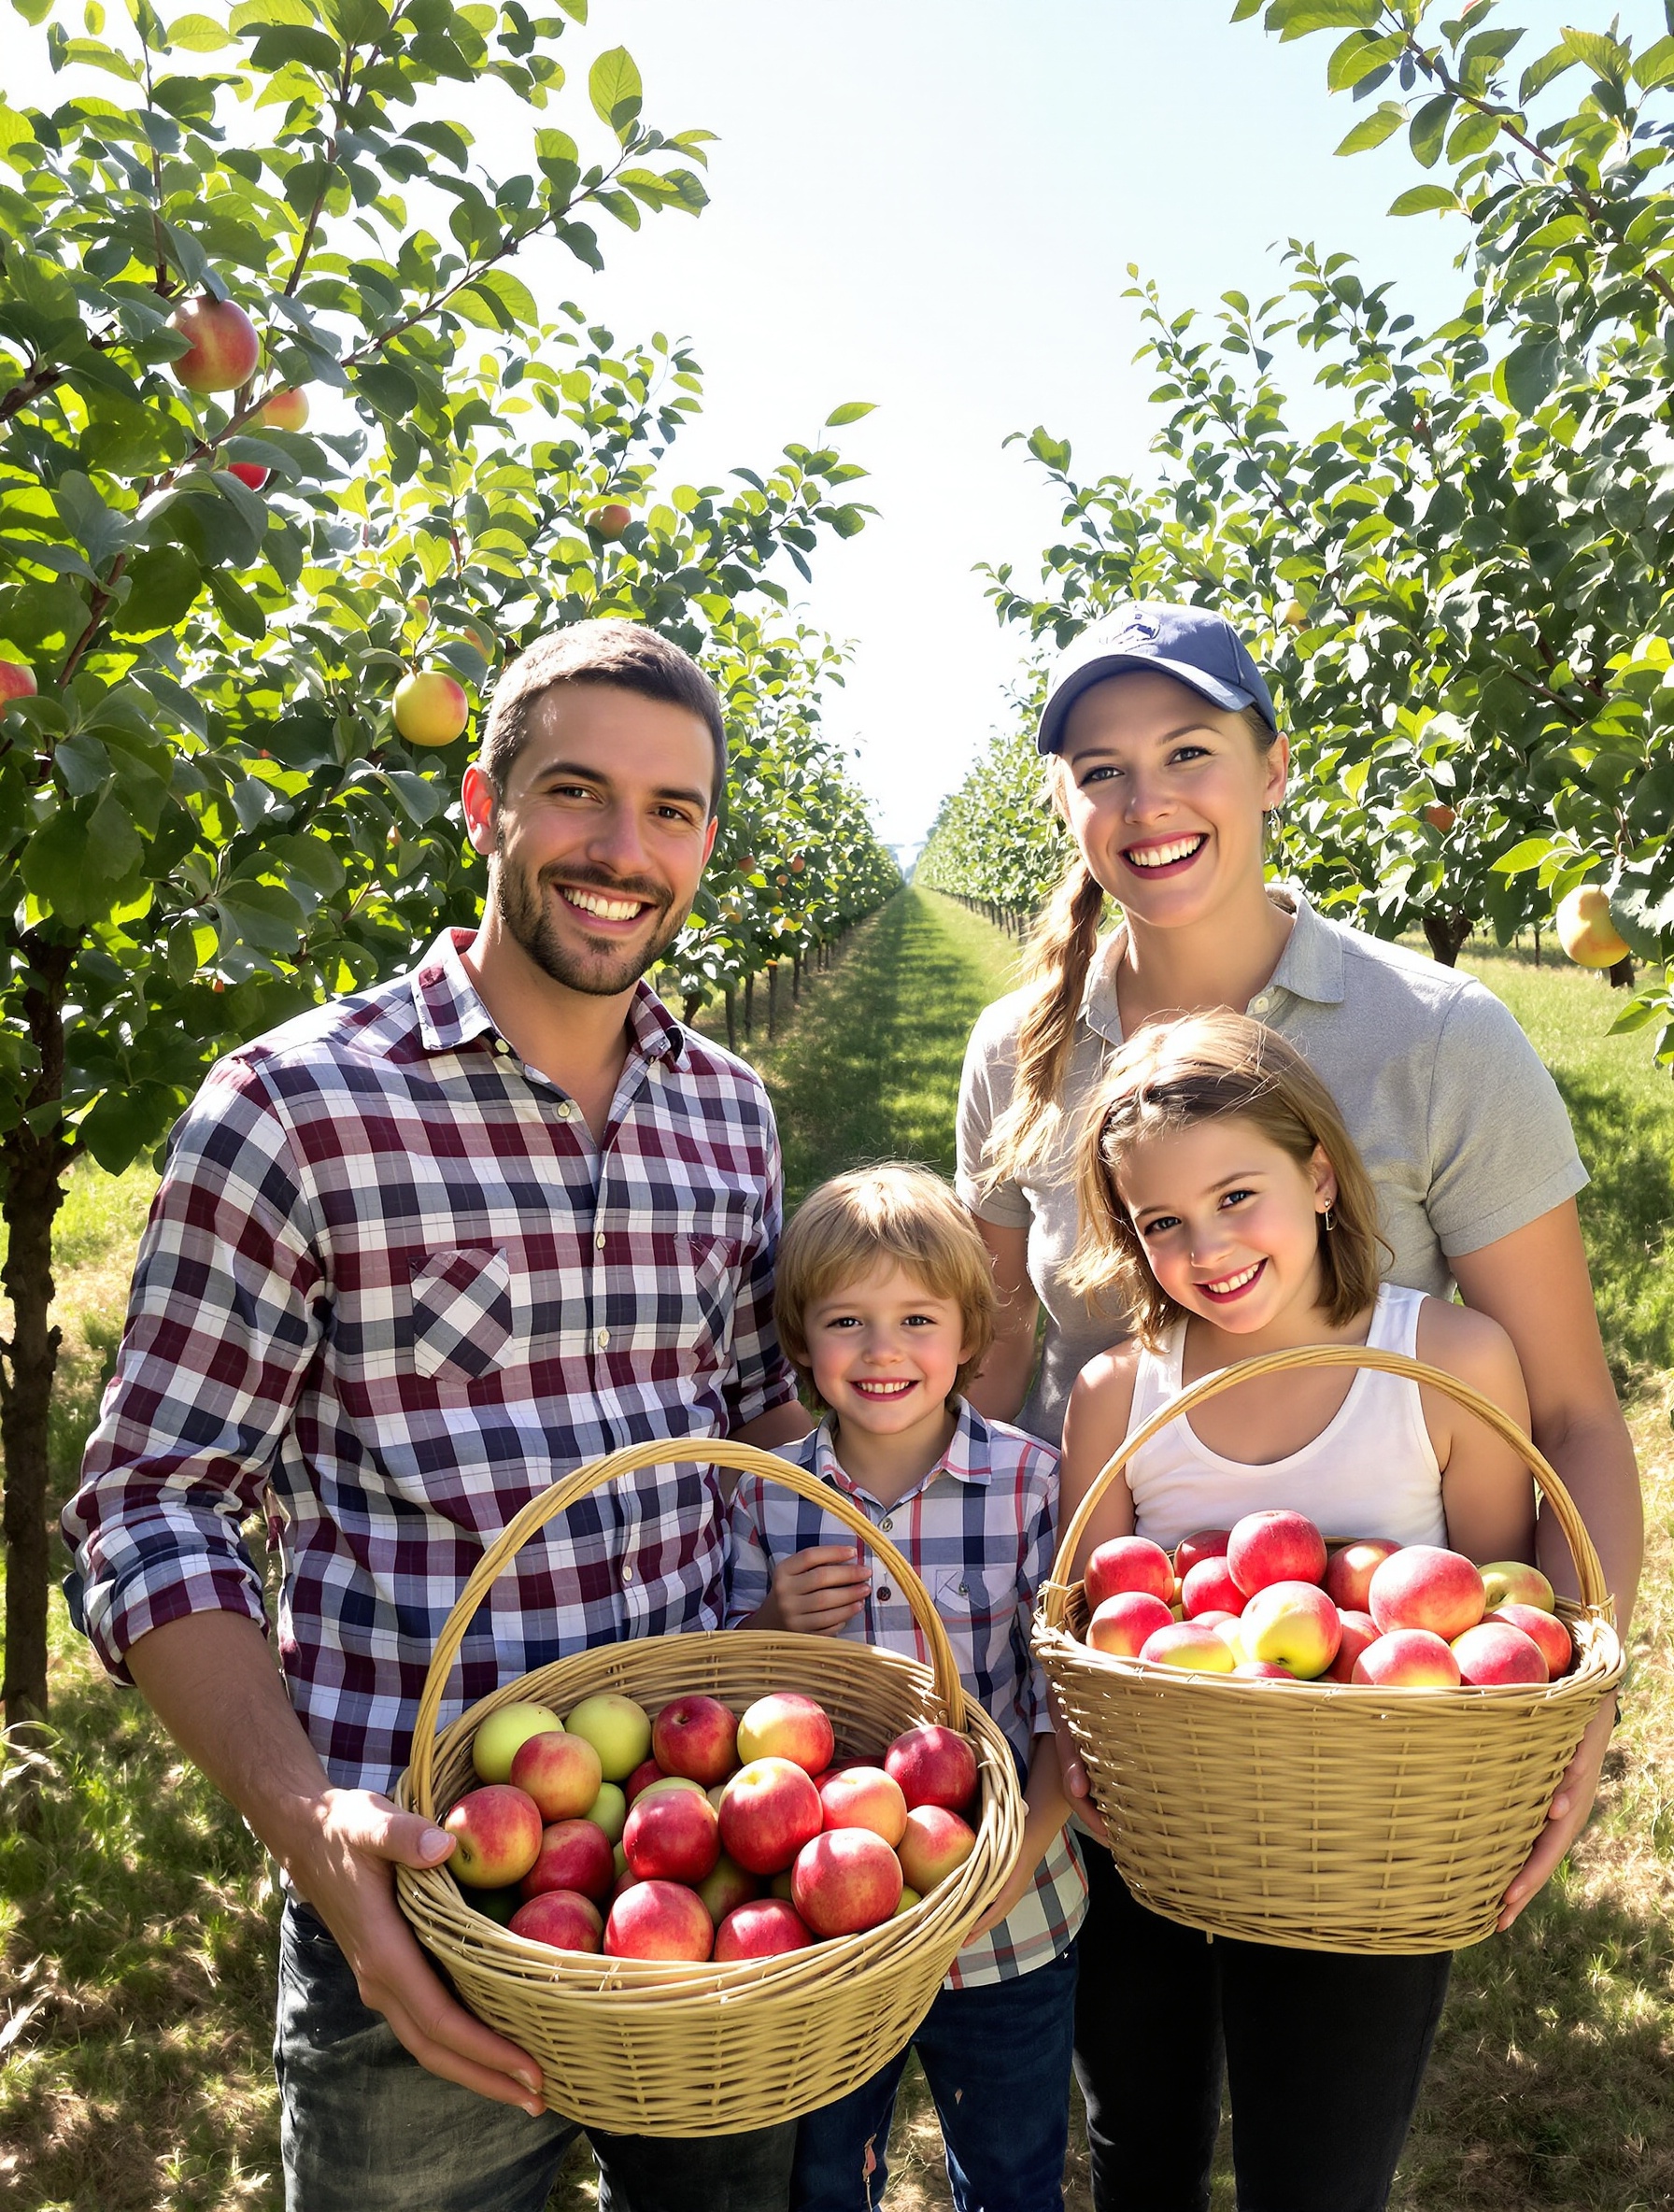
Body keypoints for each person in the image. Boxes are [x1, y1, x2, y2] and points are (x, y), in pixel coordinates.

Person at [63, 619, 812, 2212]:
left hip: (706, 1859)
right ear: (479, 802)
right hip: (414, 1879)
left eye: (672, 810)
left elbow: (755, 1424)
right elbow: (150, 1505)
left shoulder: (732, 1114)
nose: (623, 850)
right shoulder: (294, 1107)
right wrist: (308, 1822)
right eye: (574, 794)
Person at [954, 603, 1639, 1935]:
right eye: (1102, 771)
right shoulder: (1018, 1048)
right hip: (1126, 1684)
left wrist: (1572, 1701)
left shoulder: (1437, 1035)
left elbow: (1568, 1418)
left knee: (1323, 2125)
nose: (1146, 801)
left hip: (1380, 1725)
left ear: (1274, 771)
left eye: (1190, 751)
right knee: (1129, 2115)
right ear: (1065, 806)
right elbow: (988, 1375)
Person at [1057, 1007, 1538, 2209]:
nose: (1206, 1248)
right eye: (1161, 1223)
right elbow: (1083, 1637)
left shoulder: (1451, 1362)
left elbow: (1503, 1621)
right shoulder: (1118, 1396)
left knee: (1320, 2173)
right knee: (1138, 2152)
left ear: (1320, 1173)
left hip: (1368, 1853)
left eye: (1237, 1196)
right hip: (1155, 1837)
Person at [726, 1165, 1085, 2212]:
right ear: (799, 1344)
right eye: (846, 1321)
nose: (882, 1352)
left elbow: (1068, 1700)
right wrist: (773, 1623)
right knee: (826, 2170)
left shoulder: (1031, 1484)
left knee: (1013, 2170)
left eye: (917, 1319)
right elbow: (727, 1705)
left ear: (970, 1335)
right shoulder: (769, 1496)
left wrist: (1021, 1856)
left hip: (1009, 1907)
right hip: (829, 1915)